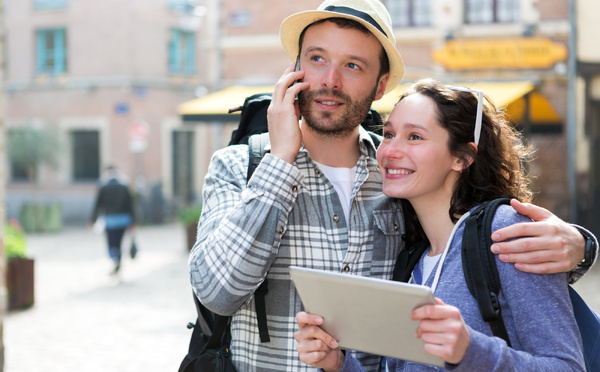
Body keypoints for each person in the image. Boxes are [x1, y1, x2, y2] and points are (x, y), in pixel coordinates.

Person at [188, 1, 596, 371]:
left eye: (353, 66)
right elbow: (218, 294)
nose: (329, 80)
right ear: (294, 69)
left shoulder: (398, 180)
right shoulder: (241, 166)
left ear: (380, 86)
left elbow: (479, 248)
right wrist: (279, 163)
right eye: (317, 59)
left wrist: (580, 247)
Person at [294, 79, 588, 371]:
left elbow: (568, 366)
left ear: (462, 158)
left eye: (415, 137)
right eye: (388, 134)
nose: (389, 151)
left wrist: (470, 350)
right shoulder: (410, 258)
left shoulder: (505, 232)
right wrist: (339, 364)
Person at [89, 165, 136, 275]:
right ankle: (118, 258)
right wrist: (133, 221)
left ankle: (114, 257)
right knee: (119, 241)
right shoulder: (124, 186)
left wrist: (92, 219)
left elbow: (98, 205)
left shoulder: (104, 186)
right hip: (123, 220)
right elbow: (131, 205)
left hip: (110, 220)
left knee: (111, 241)